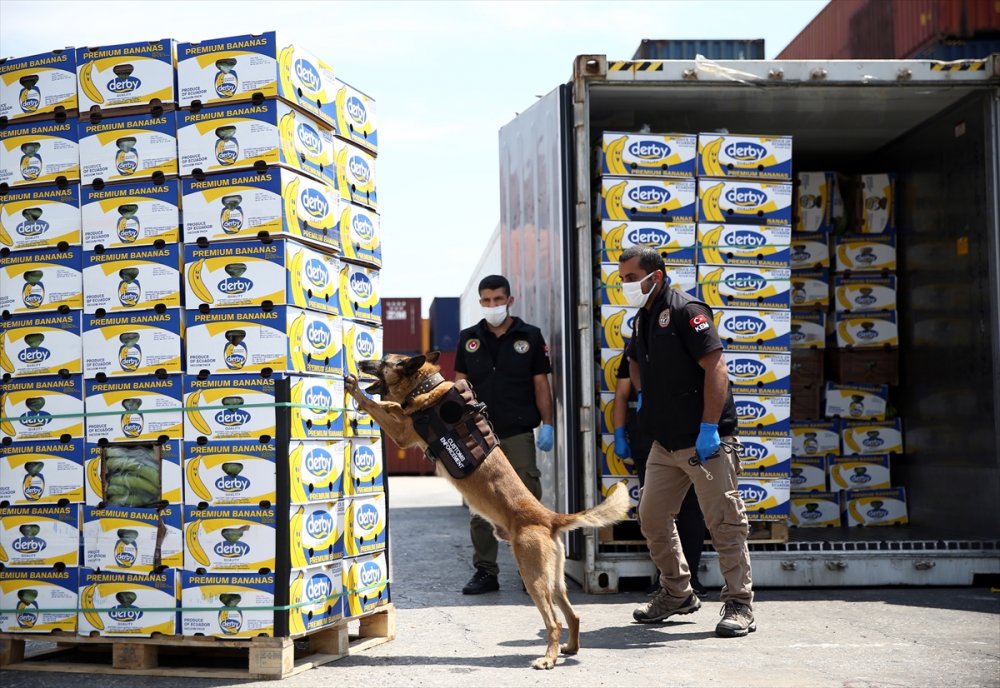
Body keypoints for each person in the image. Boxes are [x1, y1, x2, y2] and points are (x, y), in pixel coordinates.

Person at [618, 246, 755, 638]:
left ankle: (739, 604)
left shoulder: (686, 310)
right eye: (623, 278)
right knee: (652, 516)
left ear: (654, 277)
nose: (626, 285)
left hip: (703, 439)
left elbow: (716, 367)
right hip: (665, 442)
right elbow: (634, 361)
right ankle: (677, 591)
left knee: (724, 522)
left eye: (631, 278)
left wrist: (710, 427)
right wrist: (644, 397)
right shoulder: (642, 319)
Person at [454, 274, 555, 594]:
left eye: (498, 299)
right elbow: (460, 384)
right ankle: (485, 571)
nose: (493, 305)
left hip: (517, 430)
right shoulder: (469, 338)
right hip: (479, 436)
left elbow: (541, 384)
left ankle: (534, 569)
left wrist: (548, 423)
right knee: (479, 502)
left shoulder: (530, 336)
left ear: (509, 300)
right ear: (480, 302)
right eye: (486, 300)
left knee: (527, 499)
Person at [611, 353, 707, 597]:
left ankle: (692, 578)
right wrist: (619, 433)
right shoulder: (636, 347)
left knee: (692, 508)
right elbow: (622, 395)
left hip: (689, 436)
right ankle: (666, 580)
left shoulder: (686, 341)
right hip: (648, 439)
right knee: (654, 511)